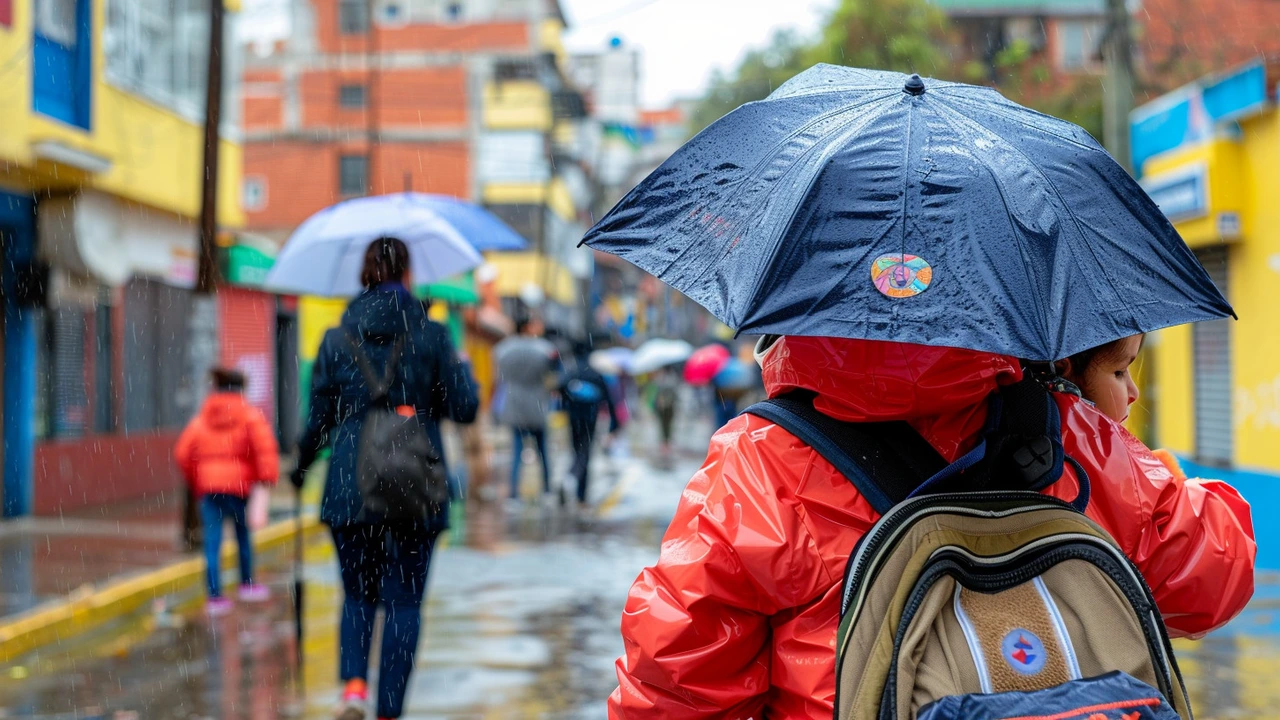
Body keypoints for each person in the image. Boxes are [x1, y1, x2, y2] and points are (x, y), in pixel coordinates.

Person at [608, 335, 1256, 719]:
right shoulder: (1076, 433)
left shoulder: (759, 459)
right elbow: (1212, 582)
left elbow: (676, 679)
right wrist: (1152, 469)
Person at [293, 237, 479, 720]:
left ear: (363, 274)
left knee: (357, 595)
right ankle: (388, 711)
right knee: (404, 601)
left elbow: (318, 420)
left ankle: (353, 690)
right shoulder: (433, 335)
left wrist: (299, 467)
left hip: (351, 487)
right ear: (408, 275)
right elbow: (465, 408)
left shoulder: (336, 339)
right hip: (417, 484)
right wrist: (454, 366)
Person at [174, 368, 280, 616]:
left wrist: (197, 479)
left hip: (209, 490)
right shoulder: (250, 416)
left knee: (212, 542)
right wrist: (264, 480)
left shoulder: (201, 419)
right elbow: (265, 450)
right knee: (243, 536)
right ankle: (247, 584)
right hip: (240, 489)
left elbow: (182, 453)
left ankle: (215, 597)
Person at [494, 314, 559, 504]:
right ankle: (547, 490)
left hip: (514, 404)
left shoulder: (503, 350)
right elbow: (552, 373)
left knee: (516, 453)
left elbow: (500, 375)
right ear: (527, 328)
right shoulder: (544, 350)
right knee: (543, 453)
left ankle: (513, 494)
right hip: (538, 403)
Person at [560, 341, 620, 506]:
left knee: (576, 451)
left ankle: (573, 485)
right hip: (590, 420)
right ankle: (577, 490)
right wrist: (614, 425)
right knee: (585, 453)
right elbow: (609, 400)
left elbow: (560, 390)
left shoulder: (571, 373)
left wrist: (565, 406)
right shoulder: (595, 374)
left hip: (573, 418)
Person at [648, 369, 679, 466]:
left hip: (668, 410)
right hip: (664, 410)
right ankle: (665, 444)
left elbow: (673, 397)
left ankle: (666, 444)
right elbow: (656, 398)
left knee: (666, 427)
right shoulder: (661, 382)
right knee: (664, 427)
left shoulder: (667, 382)